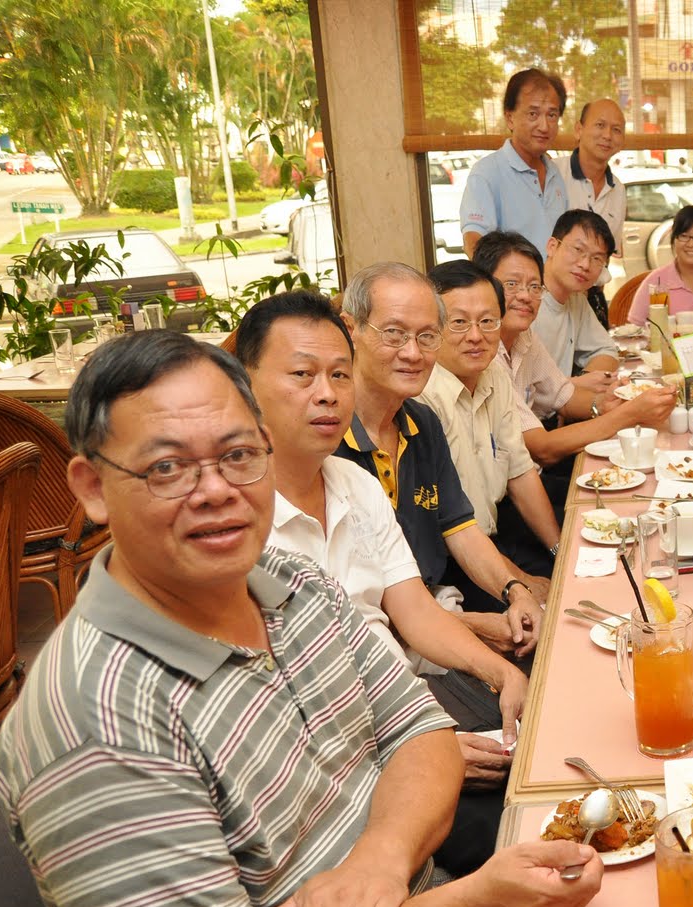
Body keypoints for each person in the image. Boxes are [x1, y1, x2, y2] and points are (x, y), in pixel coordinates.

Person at [0, 330, 602, 907]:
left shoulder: (294, 581)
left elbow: (420, 732)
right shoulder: (91, 714)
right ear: (92, 489)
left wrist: (378, 860)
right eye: (167, 468)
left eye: (238, 455)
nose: (216, 489)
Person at [237, 289, 524, 875]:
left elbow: (412, 610)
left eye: (339, 375)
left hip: (399, 708)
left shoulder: (353, 483)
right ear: (242, 388)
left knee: (546, 751)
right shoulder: (234, 525)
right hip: (343, 771)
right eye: (302, 374)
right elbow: (289, 712)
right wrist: (416, 749)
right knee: (513, 829)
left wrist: (501, 671)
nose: (327, 393)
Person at [334, 262, 547, 625]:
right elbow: (356, 603)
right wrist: (480, 628)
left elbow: (460, 527)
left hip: (438, 609)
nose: (413, 353)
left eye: (427, 336)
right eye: (394, 333)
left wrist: (516, 590)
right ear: (350, 329)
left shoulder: (420, 421)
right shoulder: (327, 436)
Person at [473, 231, 676, 478]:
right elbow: (541, 448)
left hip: (532, 476)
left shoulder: (523, 335)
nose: (526, 296)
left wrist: (602, 404)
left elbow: (563, 396)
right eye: (512, 284)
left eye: (534, 286)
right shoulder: (482, 353)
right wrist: (629, 413)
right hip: (509, 490)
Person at [422, 260, 560, 578]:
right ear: (431, 328)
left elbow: (520, 470)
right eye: (458, 322)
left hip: (496, 531)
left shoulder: (493, 373)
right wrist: (520, 584)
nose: (476, 335)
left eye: (488, 321)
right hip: (451, 560)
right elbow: (453, 526)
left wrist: (557, 552)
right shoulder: (423, 398)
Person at [460, 68, 569, 257]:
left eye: (552, 115)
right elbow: (474, 244)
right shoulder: (486, 173)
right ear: (510, 118)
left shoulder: (554, 173)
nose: (544, 126)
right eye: (533, 114)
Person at [554, 98, 626, 326]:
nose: (607, 135)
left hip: (593, 299)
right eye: (600, 125)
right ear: (579, 129)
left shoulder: (619, 189)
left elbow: (604, 256)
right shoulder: (553, 174)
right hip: (555, 298)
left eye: (616, 130)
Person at [534, 209, 622, 378]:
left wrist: (584, 381)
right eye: (577, 249)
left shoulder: (576, 300)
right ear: (552, 246)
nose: (585, 264)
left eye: (597, 259)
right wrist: (570, 390)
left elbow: (607, 351)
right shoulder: (526, 301)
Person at [624, 204, 693, 326]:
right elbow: (635, 331)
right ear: (674, 239)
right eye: (684, 236)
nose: (691, 244)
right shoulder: (657, 282)